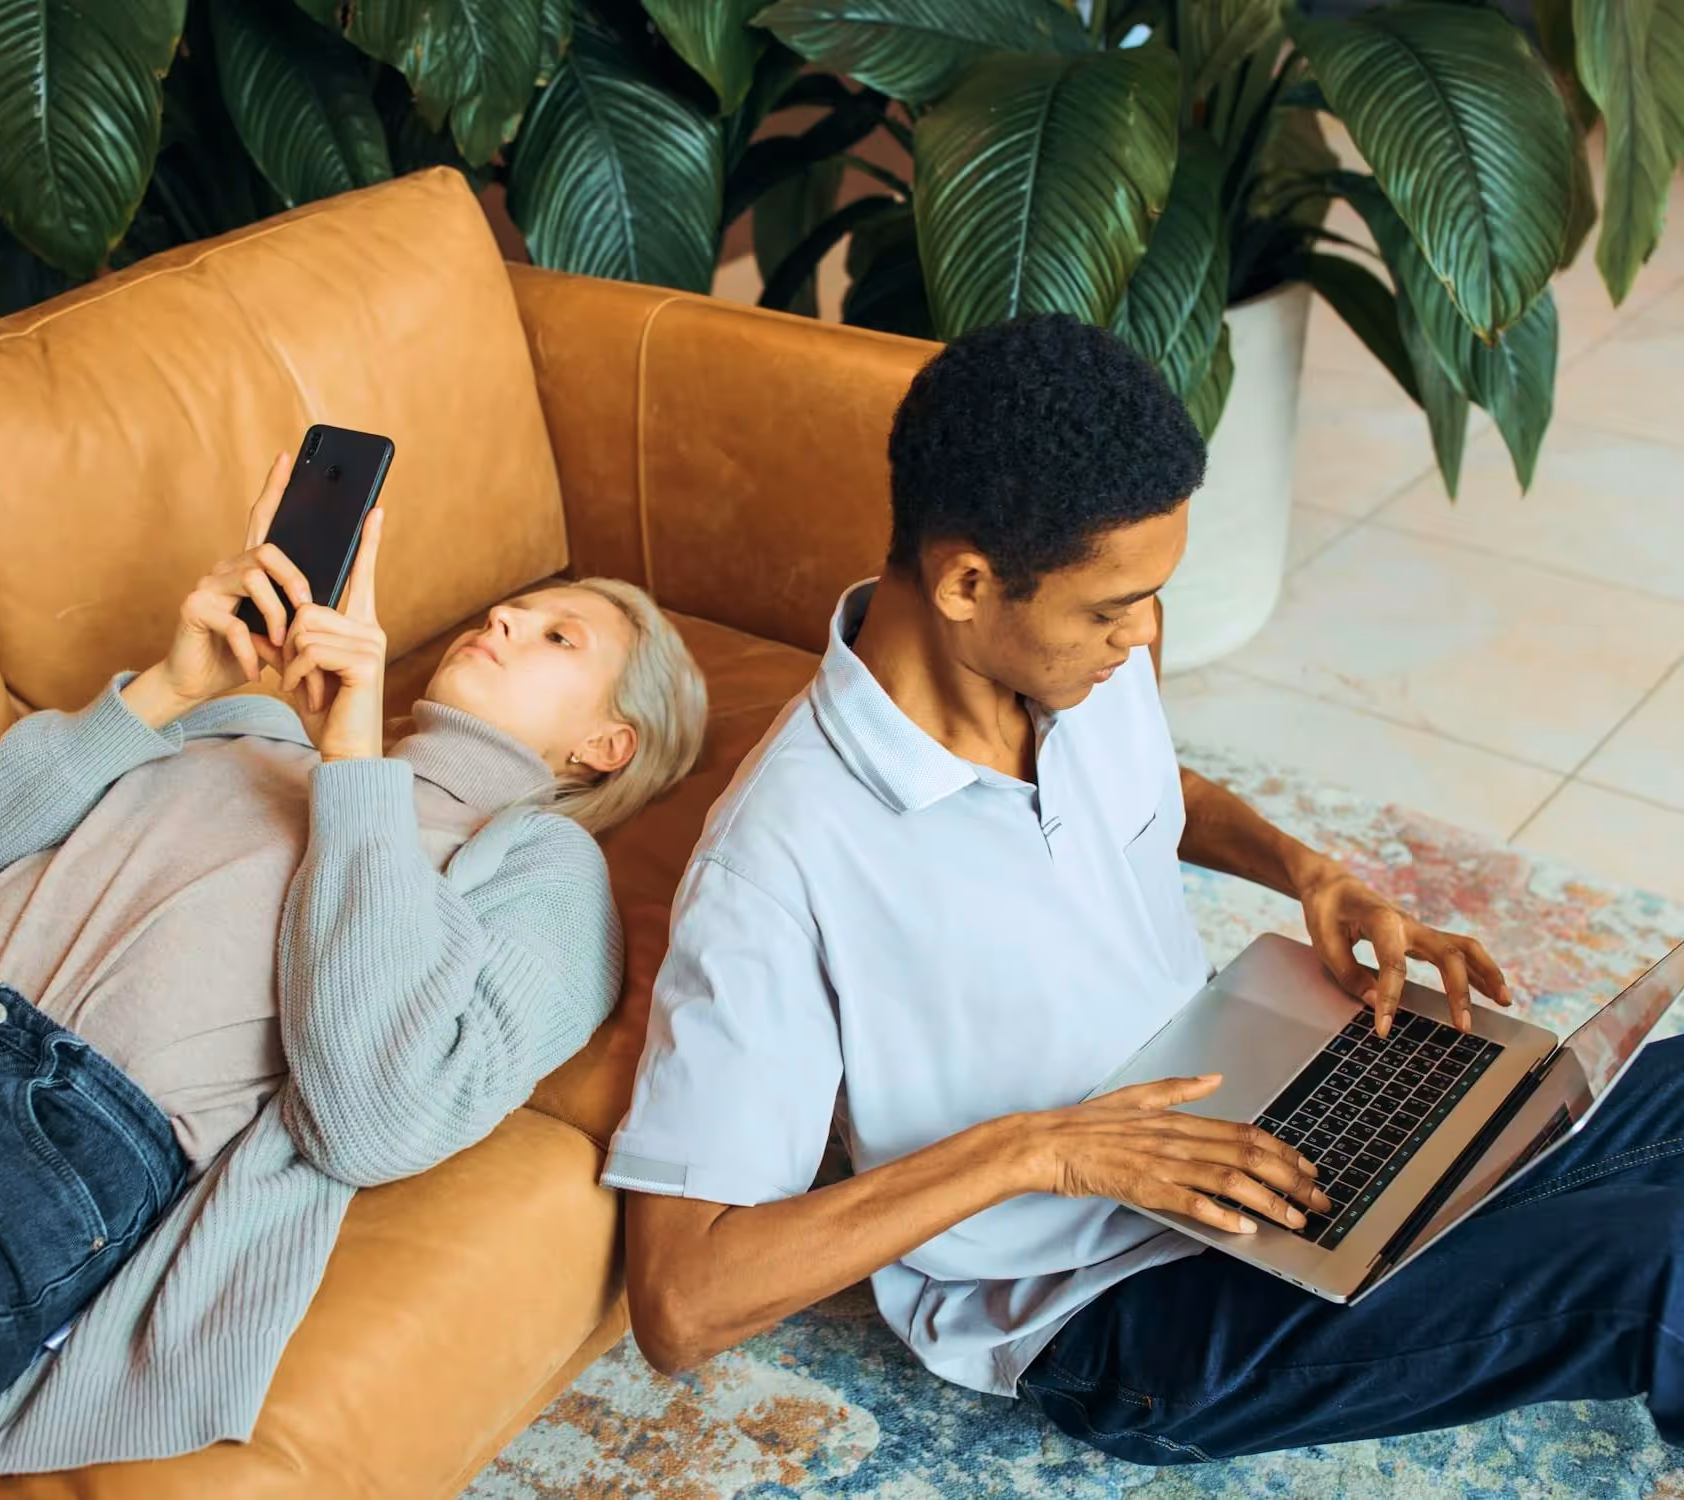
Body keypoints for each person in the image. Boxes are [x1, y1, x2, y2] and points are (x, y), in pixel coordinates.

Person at [604, 313, 1684, 1464]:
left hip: (1249, 1126)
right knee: (1658, 1268)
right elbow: (682, 1301)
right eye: (1112, 607)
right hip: (1105, 1311)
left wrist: (1302, 869)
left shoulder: (1067, 669)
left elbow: (1149, 781)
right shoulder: (778, 861)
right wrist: (1045, 1150)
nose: (1145, 636)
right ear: (967, 581)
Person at [0, 453, 707, 1483]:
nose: (500, 624)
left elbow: (376, 1116)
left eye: (555, 637)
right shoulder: (238, 727)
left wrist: (359, 766)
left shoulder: (545, 872)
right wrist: (168, 692)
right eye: (513, 609)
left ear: (604, 747)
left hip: (19, 1170)